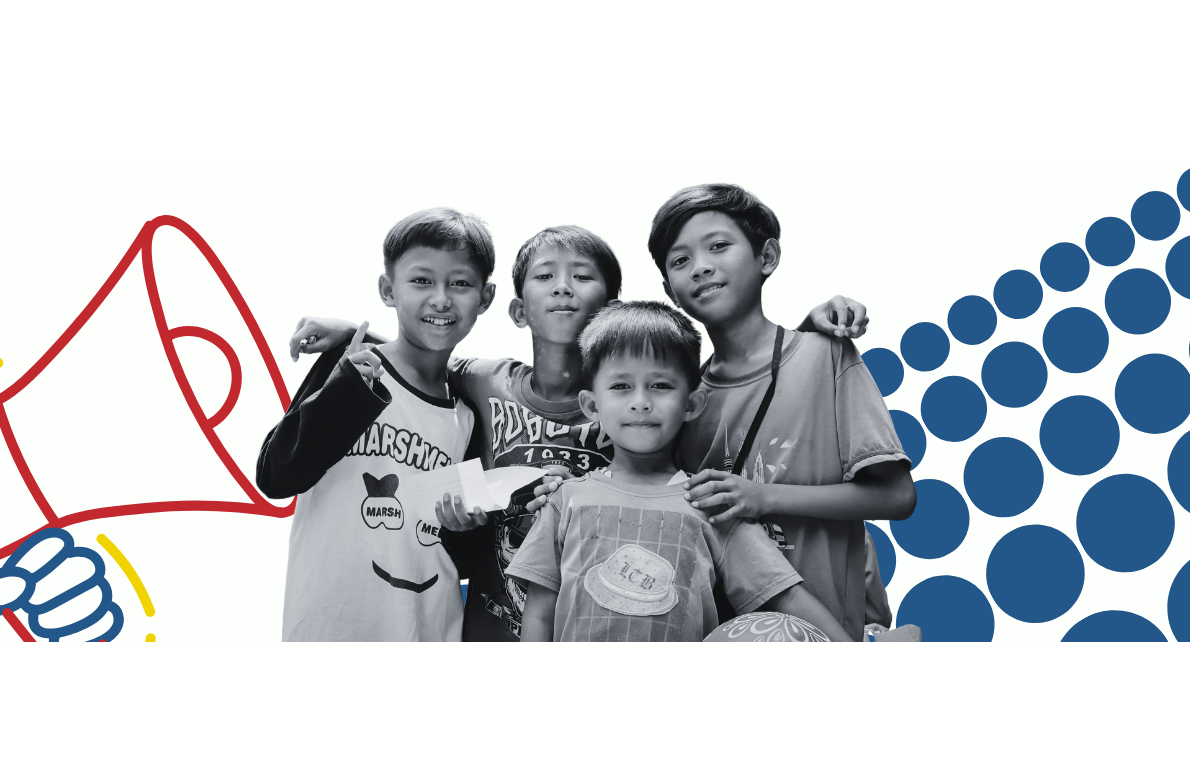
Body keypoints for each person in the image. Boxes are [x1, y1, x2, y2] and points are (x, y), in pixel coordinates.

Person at [292, 225, 872, 640]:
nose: (563, 287)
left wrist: (807, 332)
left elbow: (720, 380)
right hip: (497, 627)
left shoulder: (641, 402)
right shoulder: (485, 381)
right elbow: (423, 352)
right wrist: (354, 335)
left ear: (609, 305)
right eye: (546, 277)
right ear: (518, 311)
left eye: (581, 276)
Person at [653, 184, 917, 642]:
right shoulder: (682, 399)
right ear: (669, 291)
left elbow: (897, 496)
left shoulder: (825, 357)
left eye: (718, 246)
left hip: (828, 628)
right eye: (681, 261)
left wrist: (763, 497)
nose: (702, 267)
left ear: (767, 256)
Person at [504, 301, 850, 641]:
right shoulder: (565, 499)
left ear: (691, 404)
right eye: (621, 386)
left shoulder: (710, 504)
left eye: (661, 385)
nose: (640, 401)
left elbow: (784, 594)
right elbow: (539, 611)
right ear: (592, 405)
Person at [255, 208, 495, 641]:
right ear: (388, 289)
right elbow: (275, 474)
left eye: (460, 283)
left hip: (426, 631)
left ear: (486, 297)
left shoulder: (470, 415)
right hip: (327, 626)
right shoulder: (348, 366)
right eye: (421, 280)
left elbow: (467, 555)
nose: (441, 298)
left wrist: (467, 526)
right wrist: (349, 384)